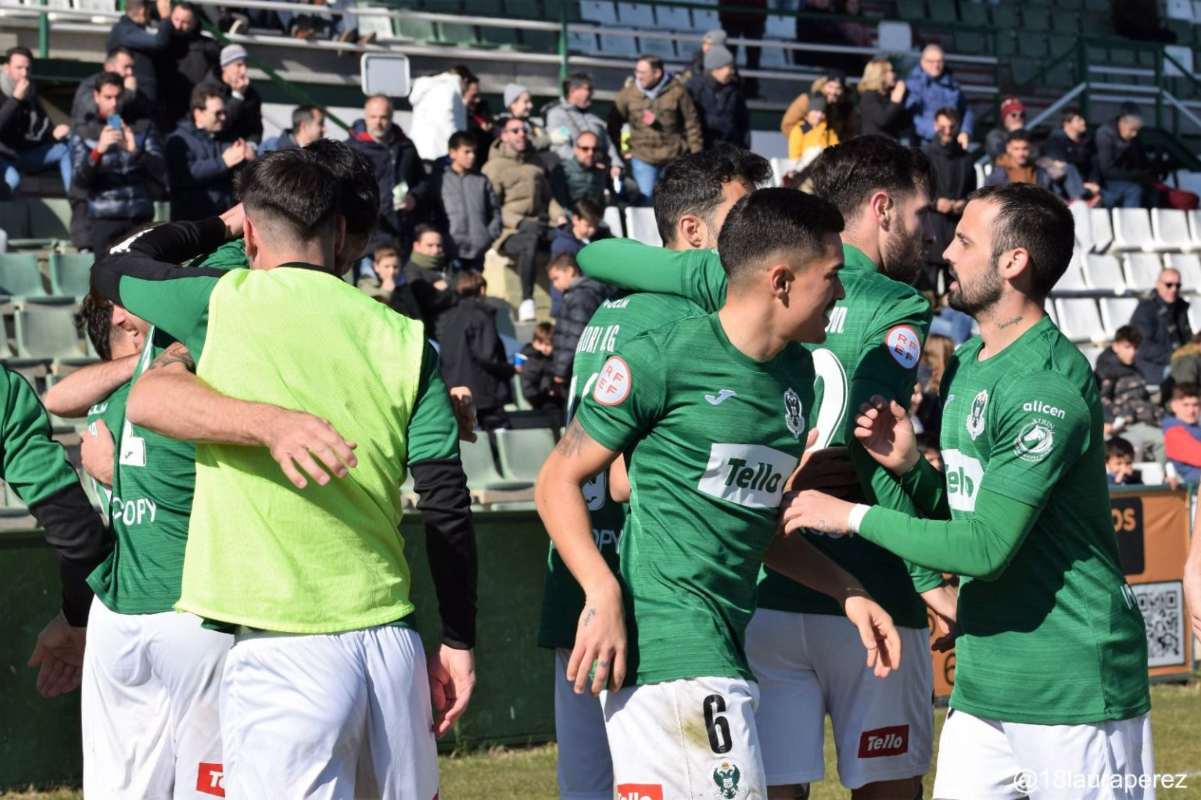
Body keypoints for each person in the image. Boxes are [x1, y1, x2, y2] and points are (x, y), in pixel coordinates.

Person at [91, 146, 478, 796]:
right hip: (390, 645)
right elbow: (446, 506)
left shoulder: (221, 302)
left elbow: (113, 268)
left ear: (250, 232)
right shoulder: (408, 339)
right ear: (339, 234)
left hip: (283, 648)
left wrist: (217, 224)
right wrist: (459, 641)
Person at [578, 136, 948, 800]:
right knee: (885, 785)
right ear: (883, 208)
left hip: (763, 597)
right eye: (923, 218)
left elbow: (595, 252)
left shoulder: (740, 302)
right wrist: (925, 576)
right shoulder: (898, 305)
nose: (931, 241)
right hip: (859, 582)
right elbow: (877, 445)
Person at [782, 182, 1153, 797]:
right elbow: (967, 512)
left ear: (1013, 263)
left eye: (964, 241)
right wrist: (910, 470)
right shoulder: (970, 360)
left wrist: (846, 515)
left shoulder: (1047, 385)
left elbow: (984, 548)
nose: (945, 252)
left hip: (1070, 679)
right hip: (985, 677)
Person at [538, 145, 771, 800]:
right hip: (642, 596)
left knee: (586, 786)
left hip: (579, 577)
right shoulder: (684, 320)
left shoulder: (612, 312)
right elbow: (626, 478)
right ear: (692, 232)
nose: (756, 232)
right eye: (742, 213)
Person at [44, 286, 233, 798]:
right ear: (127, 323)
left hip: (126, 609)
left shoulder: (112, 401)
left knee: (126, 785)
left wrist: (73, 618)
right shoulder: (161, 390)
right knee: (206, 779)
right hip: (181, 604)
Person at [69, 72, 166, 256]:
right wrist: (98, 150)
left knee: (141, 279)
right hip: (104, 218)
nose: (114, 103)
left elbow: (161, 172)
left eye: (118, 97)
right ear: (96, 97)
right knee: (105, 280)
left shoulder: (142, 127)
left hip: (139, 217)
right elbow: (79, 182)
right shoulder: (84, 131)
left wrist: (135, 151)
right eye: (108, 97)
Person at [483, 115, 565, 322]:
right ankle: (527, 301)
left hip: (540, 223)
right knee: (530, 240)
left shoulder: (536, 163)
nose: (521, 134)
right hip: (510, 231)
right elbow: (492, 205)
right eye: (515, 130)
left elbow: (548, 199)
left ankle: (563, 299)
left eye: (524, 130)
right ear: (504, 136)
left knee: (566, 240)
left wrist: (561, 217)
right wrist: (517, 222)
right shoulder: (494, 167)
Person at [608, 55, 703, 202]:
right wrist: (623, 152)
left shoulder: (677, 91)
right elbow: (613, 125)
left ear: (657, 73)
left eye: (643, 73)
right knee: (646, 199)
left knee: (673, 202)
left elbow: (692, 124)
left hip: (673, 156)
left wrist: (696, 156)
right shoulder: (628, 94)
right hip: (643, 157)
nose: (638, 76)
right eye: (637, 71)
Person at [348, 94, 426, 264]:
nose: (378, 122)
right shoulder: (352, 148)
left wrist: (414, 197)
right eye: (373, 117)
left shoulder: (406, 147)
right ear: (365, 117)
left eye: (383, 117)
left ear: (391, 118)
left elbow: (422, 182)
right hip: (368, 235)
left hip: (401, 232)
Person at [436, 270, 515, 431]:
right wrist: (509, 369)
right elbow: (488, 355)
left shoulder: (448, 318)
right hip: (484, 392)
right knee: (501, 436)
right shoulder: (481, 316)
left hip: (457, 390)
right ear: (482, 290)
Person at [166, 86, 250, 221]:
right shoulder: (178, 141)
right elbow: (183, 175)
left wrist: (250, 158)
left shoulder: (225, 138)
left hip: (224, 219)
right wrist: (223, 162)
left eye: (224, 112)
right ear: (198, 114)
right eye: (217, 113)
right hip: (192, 221)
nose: (223, 117)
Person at [423, 130, 501, 272]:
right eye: (466, 152)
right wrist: (441, 238)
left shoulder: (482, 180)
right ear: (452, 153)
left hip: (479, 249)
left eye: (474, 152)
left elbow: (495, 210)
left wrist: (489, 235)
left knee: (475, 290)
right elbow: (431, 211)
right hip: (450, 249)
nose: (471, 156)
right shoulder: (440, 180)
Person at [0, 47, 72, 193]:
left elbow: (40, 125)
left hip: (25, 153)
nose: (24, 73)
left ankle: (76, 203)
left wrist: (54, 134)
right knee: (12, 181)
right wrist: (15, 100)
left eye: (27, 68)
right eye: (19, 68)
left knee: (65, 148)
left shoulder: (30, 91)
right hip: (3, 156)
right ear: (7, 68)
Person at [923, 107, 976, 291]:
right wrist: (936, 203)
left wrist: (964, 203)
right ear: (935, 125)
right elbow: (915, 190)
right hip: (931, 228)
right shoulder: (925, 155)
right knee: (925, 291)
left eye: (951, 127)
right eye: (942, 127)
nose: (947, 132)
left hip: (956, 229)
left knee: (955, 290)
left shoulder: (966, 159)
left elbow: (973, 192)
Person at [1097, 324, 1164, 462]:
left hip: (1148, 420)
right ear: (1116, 346)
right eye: (1127, 347)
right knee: (1163, 439)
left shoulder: (1135, 369)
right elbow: (1101, 398)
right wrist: (1112, 420)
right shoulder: (1107, 371)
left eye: (1136, 347)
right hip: (1125, 425)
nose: (1132, 352)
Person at [156, 1, 220, 135]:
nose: (179, 26)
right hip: (166, 109)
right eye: (176, 20)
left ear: (195, 22)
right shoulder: (160, 44)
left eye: (185, 22)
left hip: (194, 110)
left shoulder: (208, 47)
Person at [547, 253, 606, 387]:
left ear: (570, 271)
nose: (555, 285)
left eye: (556, 278)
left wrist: (561, 371)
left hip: (578, 370)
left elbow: (576, 335)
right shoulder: (575, 294)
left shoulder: (580, 297)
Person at [546, 72, 622, 171]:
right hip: (573, 172)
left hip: (600, 170)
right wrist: (586, 162)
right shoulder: (558, 115)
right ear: (573, 91)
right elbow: (561, 148)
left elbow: (608, 144)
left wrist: (616, 165)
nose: (592, 93)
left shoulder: (594, 117)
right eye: (588, 89)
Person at [1130, 266, 1192, 384]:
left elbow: (1186, 339)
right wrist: (1176, 356)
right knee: (1188, 375)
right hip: (1153, 367)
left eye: (1177, 285)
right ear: (1158, 284)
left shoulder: (1180, 308)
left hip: (1179, 362)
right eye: (1169, 285)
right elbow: (1143, 347)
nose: (1173, 289)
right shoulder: (1145, 309)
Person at [106, 0, 173, 104]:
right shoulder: (124, 30)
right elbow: (159, 42)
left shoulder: (129, 30)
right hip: (136, 105)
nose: (151, 16)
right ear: (142, 11)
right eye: (150, 11)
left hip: (141, 102)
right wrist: (165, 17)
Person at [904, 44, 973, 146]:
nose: (936, 65)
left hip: (951, 144)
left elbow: (966, 110)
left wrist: (965, 131)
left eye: (939, 61)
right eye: (931, 61)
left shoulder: (952, 83)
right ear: (922, 62)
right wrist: (939, 132)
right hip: (924, 145)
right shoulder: (912, 85)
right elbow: (911, 117)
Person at [686, 45, 750, 150]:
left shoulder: (735, 90)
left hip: (729, 150)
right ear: (715, 68)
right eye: (729, 67)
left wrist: (744, 149)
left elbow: (743, 123)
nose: (732, 72)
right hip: (701, 150)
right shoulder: (694, 87)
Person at [1096, 103, 1157, 209]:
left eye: (1137, 130)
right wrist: (1135, 175)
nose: (1135, 134)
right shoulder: (1105, 134)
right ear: (1122, 123)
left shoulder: (1133, 138)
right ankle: (1130, 223)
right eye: (1132, 130)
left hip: (1127, 177)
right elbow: (1106, 170)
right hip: (1106, 181)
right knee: (1134, 190)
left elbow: (1142, 162)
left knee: (1152, 190)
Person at [72, 48, 151, 128]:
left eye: (131, 67)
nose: (130, 72)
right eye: (126, 67)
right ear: (109, 67)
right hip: (89, 135)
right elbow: (100, 109)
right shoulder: (90, 85)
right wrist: (128, 93)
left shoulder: (127, 87)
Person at [201, 44, 263, 145]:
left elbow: (255, 129)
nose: (243, 71)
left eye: (245, 65)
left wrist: (251, 146)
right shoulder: (207, 90)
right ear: (224, 67)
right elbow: (219, 124)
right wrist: (238, 96)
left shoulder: (251, 94)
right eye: (238, 65)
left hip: (242, 149)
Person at [408, 65, 470, 162]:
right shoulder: (450, 90)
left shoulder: (427, 87)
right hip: (441, 153)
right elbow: (451, 124)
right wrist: (458, 148)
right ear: (465, 81)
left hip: (419, 148)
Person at [1041, 106, 1102, 202]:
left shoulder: (1087, 141)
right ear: (1067, 123)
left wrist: (1094, 183)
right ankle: (1080, 201)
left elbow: (1093, 164)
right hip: (1065, 188)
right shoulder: (1055, 141)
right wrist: (1083, 185)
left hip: (1086, 185)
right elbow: (1062, 168)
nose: (1083, 122)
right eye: (1079, 120)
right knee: (1069, 168)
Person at [780, 74, 857, 149]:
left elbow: (850, 132)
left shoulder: (846, 107)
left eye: (838, 88)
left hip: (832, 153)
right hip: (806, 152)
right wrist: (803, 141)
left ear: (843, 91)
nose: (833, 91)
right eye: (830, 86)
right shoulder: (807, 100)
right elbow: (787, 125)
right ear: (823, 85)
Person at [551, 130, 609, 214]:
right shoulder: (562, 170)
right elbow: (559, 203)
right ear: (576, 149)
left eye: (595, 149)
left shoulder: (600, 173)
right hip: (571, 220)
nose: (590, 153)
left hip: (594, 219)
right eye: (585, 149)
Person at [984, 129, 1054, 191]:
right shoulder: (997, 175)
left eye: (1025, 148)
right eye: (1016, 149)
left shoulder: (1040, 173)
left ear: (1031, 148)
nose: (1021, 153)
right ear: (1008, 148)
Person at [857, 57, 907, 140]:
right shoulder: (869, 96)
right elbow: (883, 120)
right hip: (874, 146)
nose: (894, 74)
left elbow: (902, 123)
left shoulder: (888, 94)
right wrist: (895, 102)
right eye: (890, 71)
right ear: (880, 74)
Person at [519, 321, 561, 414]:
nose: (545, 348)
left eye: (549, 345)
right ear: (535, 342)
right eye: (542, 344)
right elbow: (535, 378)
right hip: (536, 396)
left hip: (543, 394)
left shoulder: (545, 357)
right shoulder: (533, 357)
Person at [1163, 382, 1201, 484]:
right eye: (1186, 405)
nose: (1191, 410)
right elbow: (1198, 455)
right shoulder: (1172, 430)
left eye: (1195, 405)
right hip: (1190, 486)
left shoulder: (1197, 427)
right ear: (1174, 406)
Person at [787, 95, 839, 165]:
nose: (819, 115)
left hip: (825, 165)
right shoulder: (800, 129)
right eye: (816, 111)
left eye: (822, 112)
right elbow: (794, 156)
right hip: (804, 166)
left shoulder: (828, 129)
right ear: (809, 111)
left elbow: (836, 148)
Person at [499, 83, 550, 151]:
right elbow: (521, 146)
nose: (531, 105)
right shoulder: (503, 126)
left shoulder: (532, 125)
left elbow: (542, 134)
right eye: (526, 102)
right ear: (513, 104)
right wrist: (550, 139)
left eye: (530, 101)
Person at [260, 104, 325, 152]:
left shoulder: (320, 155)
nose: (324, 129)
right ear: (304, 126)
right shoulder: (271, 148)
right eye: (320, 124)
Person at [984, 96, 1027, 160]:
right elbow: (998, 154)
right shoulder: (994, 135)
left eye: (1022, 115)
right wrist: (1014, 134)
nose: (1018, 118)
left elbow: (1035, 155)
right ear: (1005, 117)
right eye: (1013, 115)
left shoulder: (1028, 135)